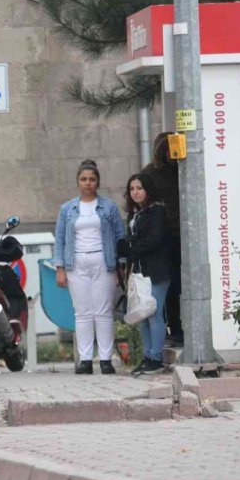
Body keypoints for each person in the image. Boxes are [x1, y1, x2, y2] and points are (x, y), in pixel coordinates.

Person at [53, 160, 125, 375]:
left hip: (104, 262)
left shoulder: (109, 207)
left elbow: (120, 237)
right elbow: (59, 240)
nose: (87, 183)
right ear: (78, 181)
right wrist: (59, 268)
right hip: (76, 263)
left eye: (92, 179)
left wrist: (121, 266)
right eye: (83, 179)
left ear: (98, 182)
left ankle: (105, 359)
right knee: (82, 312)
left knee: (103, 312)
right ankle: (84, 359)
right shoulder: (67, 209)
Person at [124, 173, 171, 375]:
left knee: (154, 313)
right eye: (132, 188)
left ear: (148, 190)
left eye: (139, 188)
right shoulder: (134, 214)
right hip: (140, 272)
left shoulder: (157, 212)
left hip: (158, 271)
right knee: (142, 315)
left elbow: (155, 239)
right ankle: (147, 356)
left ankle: (156, 358)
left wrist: (131, 248)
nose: (135, 192)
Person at [141, 132, 183, 345]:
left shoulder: (183, 169)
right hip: (164, 238)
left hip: (184, 235)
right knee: (169, 287)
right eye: (168, 149)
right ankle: (173, 328)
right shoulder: (150, 173)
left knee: (181, 285)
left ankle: (178, 328)